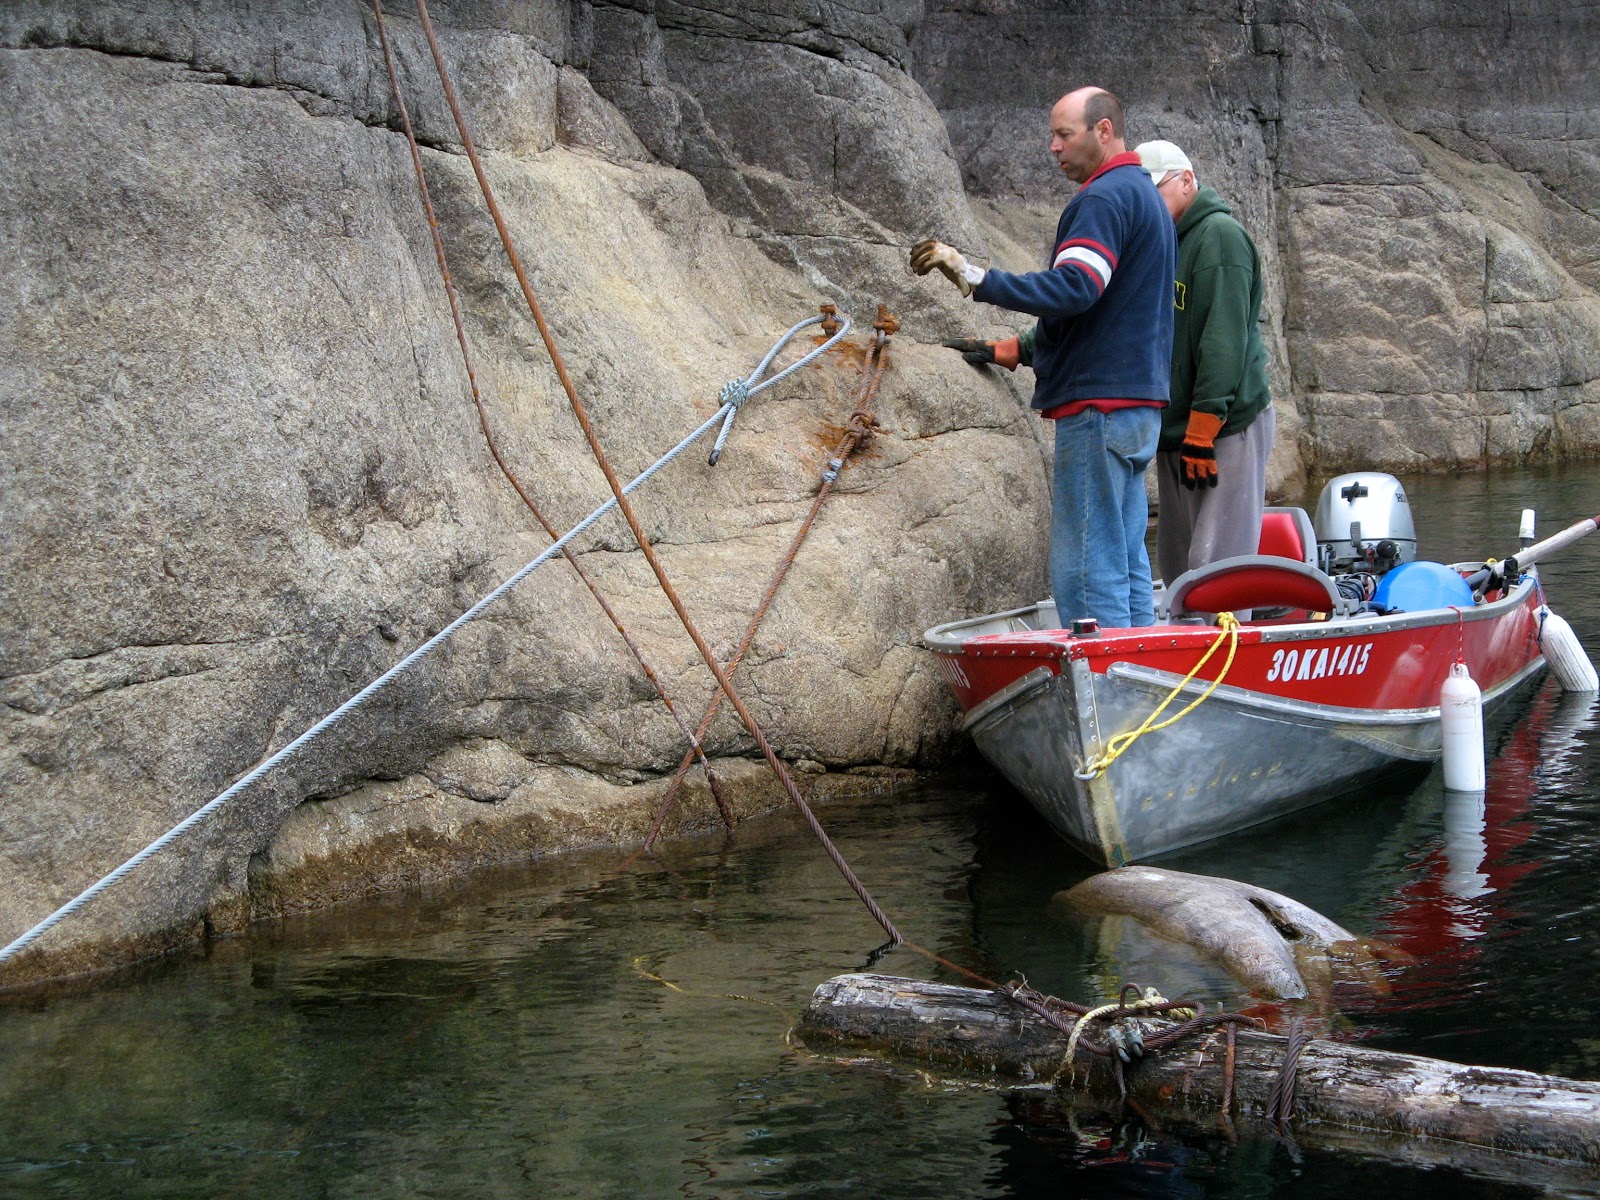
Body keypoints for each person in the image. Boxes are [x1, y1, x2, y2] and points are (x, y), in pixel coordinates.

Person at [910, 87, 1175, 629]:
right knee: (1125, 556)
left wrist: (977, 277)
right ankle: (1147, 680)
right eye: (1052, 135)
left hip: (1096, 406)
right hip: (1139, 406)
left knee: (1084, 563)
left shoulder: (1102, 199)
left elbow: (1078, 286)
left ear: (1103, 131)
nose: (1053, 147)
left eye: (1064, 134)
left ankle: (1105, 690)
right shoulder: (1145, 196)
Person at [1135, 140, 1275, 587]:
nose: (1147, 205)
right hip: (1178, 430)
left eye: (1155, 191)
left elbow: (1224, 338)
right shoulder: (1157, 245)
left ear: (1186, 182)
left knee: (1218, 564)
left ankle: (1227, 647)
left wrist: (1204, 424)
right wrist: (1023, 349)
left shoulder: (1219, 237)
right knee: (1178, 562)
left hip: (1222, 427)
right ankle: (1181, 645)